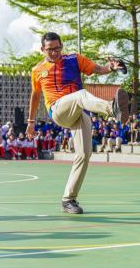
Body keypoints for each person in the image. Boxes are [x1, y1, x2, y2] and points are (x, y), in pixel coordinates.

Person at [26, 32, 129, 214]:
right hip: (59, 110)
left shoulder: (74, 59)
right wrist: (31, 122)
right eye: (50, 49)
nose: (55, 52)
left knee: (84, 154)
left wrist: (111, 67)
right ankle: (112, 109)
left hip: (78, 111)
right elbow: (35, 96)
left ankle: (68, 199)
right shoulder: (37, 71)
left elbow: (98, 69)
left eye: (58, 48)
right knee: (81, 95)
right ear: (43, 49)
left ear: (62, 46)